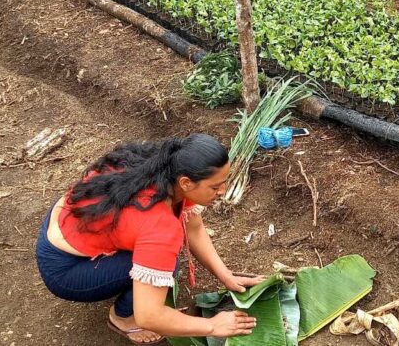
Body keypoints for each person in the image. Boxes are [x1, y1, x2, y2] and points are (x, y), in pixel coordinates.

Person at [35, 134, 263, 344]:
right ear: (186, 183)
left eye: (224, 182)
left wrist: (225, 276)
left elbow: (193, 228)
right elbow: (149, 315)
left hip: (65, 223)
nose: (223, 190)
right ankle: (122, 318)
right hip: (64, 269)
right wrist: (212, 326)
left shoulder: (166, 167)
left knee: (158, 259)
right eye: (215, 186)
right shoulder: (159, 226)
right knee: (168, 264)